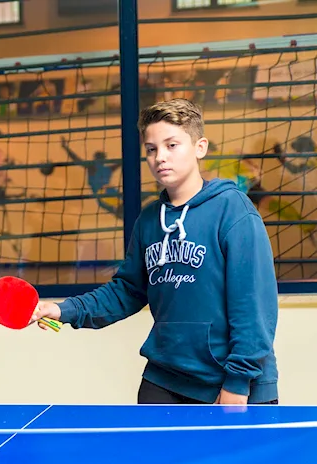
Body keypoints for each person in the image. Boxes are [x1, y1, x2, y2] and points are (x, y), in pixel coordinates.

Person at [32, 98, 279, 405]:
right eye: (151, 149)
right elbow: (127, 290)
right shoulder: (149, 220)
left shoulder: (233, 210)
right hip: (164, 380)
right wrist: (63, 310)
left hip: (229, 383)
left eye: (172, 145)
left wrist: (238, 382)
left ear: (200, 147)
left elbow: (253, 304)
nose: (160, 157)